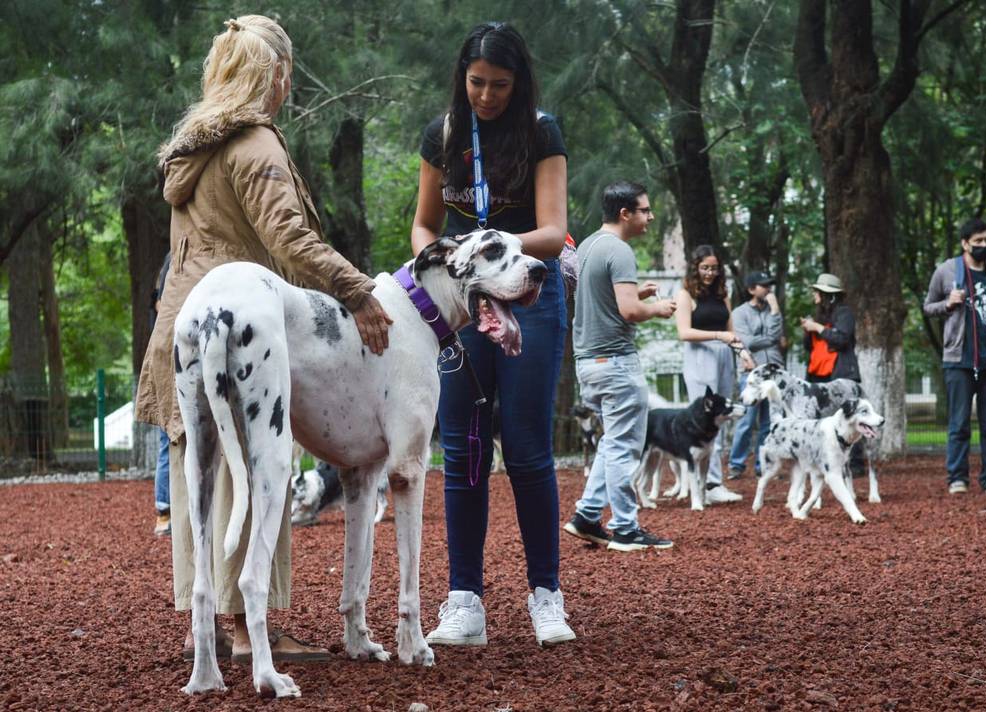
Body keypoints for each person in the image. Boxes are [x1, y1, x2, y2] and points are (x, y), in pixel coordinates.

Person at [135, 15, 393, 662]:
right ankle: (252, 632)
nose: (288, 87)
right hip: (243, 331)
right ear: (274, 75)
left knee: (202, 474)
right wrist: (361, 291)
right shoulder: (257, 147)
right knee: (255, 472)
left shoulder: (193, 147)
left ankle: (214, 628)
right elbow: (291, 242)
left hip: (183, 327)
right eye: (287, 74)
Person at [410, 22, 574, 647]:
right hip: (463, 300)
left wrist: (489, 247)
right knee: (465, 448)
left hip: (529, 291)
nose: (485, 96)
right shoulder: (444, 135)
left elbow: (555, 232)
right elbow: (424, 227)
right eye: (476, 82)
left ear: (519, 81)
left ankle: (546, 596)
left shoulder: (541, 131)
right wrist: (444, 261)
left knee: (528, 447)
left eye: (499, 85)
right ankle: (464, 601)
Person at [563, 181, 677, 552]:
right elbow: (629, 312)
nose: (650, 216)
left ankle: (587, 516)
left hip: (589, 363)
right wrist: (656, 308)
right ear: (625, 213)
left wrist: (637, 294)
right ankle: (626, 527)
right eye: (644, 210)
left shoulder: (590, 245)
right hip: (615, 363)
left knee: (613, 442)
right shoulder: (620, 250)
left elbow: (604, 300)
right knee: (625, 446)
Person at [923, 218, 986, 495]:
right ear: (965, 244)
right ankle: (957, 479)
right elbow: (928, 307)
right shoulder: (946, 270)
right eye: (978, 242)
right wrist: (948, 303)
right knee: (959, 423)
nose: (984, 246)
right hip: (958, 358)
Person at [673, 246, 745, 504]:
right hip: (699, 356)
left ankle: (715, 481)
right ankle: (706, 483)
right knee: (705, 417)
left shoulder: (723, 295)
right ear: (695, 267)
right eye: (705, 268)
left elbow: (732, 332)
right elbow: (683, 332)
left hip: (725, 355)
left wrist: (743, 355)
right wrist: (718, 336)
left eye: (714, 268)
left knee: (723, 417)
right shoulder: (685, 295)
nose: (710, 273)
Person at [800, 273, 867, 473]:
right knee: (819, 421)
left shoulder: (844, 313)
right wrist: (808, 330)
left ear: (828, 295)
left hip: (840, 375)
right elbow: (808, 347)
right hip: (818, 375)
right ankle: (823, 461)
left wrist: (817, 328)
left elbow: (842, 339)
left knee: (849, 417)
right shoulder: (819, 317)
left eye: (817, 291)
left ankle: (855, 464)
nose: (814, 295)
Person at [727, 271, 782, 479]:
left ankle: (763, 465)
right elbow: (747, 342)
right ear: (751, 289)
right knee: (746, 421)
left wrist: (775, 310)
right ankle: (736, 465)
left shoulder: (773, 310)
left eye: (769, 285)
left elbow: (776, 334)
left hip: (775, 373)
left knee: (769, 422)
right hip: (751, 373)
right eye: (763, 285)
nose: (768, 289)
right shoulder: (740, 313)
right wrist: (769, 338)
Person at [152, 252, 173, 537]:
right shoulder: (174, 260)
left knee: (167, 439)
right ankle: (164, 510)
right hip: (169, 360)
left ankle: (165, 510)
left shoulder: (168, 262)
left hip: (166, 356)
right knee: (168, 438)